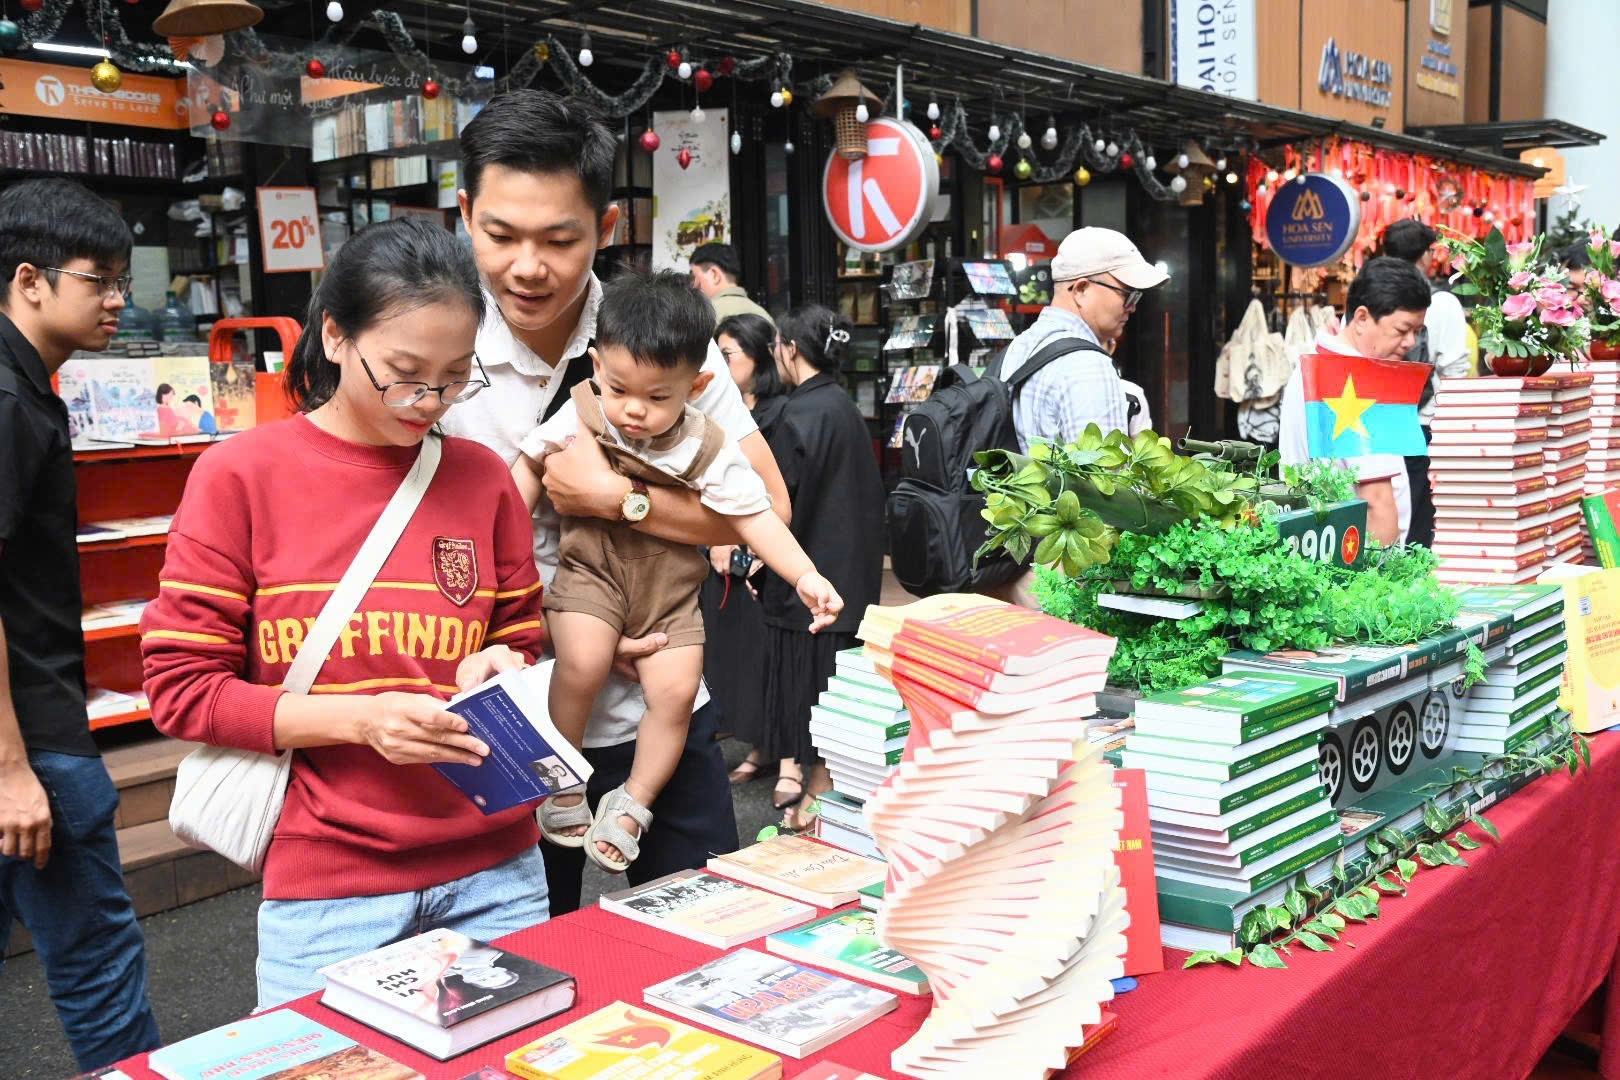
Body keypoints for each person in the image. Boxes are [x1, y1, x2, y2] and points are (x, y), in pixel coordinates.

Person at [140, 217, 551, 1010]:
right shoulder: (240, 477)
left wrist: (504, 667)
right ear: (334, 335)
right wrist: (361, 722)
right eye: (403, 374)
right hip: (331, 887)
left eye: (455, 377)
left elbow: (518, 637)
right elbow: (183, 692)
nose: (429, 402)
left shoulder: (483, 480)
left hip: (498, 870)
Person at [439, 89, 790, 915]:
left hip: (661, 703)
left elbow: (766, 503)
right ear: (464, 214)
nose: (529, 267)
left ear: (604, 227)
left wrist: (618, 501)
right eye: (500, 235)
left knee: (702, 929)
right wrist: (571, 626)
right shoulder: (437, 340)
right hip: (516, 707)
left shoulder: (661, 336)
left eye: (559, 239)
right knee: (532, 949)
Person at [508, 271, 842, 871]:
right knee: (582, 661)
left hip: (670, 600)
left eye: (658, 397)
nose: (634, 410)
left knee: (677, 694)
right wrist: (502, 555)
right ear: (597, 366)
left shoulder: (708, 446)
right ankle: (563, 782)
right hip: (591, 578)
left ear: (698, 386)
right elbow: (528, 468)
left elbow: (758, 516)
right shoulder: (584, 410)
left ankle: (634, 802)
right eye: (619, 389)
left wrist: (806, 575)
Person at [0, 178, 162, 1072]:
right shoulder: (8, 401)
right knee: (99, 972)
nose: (116, 300)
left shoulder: (24, 388)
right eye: (97, 280)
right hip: (33, 744)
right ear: (29, 280)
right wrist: (11, 770)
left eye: (119, 281)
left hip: (30, 736)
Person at [761, 306, 885, 829]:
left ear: (790, 349)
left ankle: (816, 799)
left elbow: (778, 504)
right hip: (850, 570)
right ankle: (824, 793)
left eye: (777, 345)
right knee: (836, 690)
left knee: (808, 690)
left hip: (810, 577)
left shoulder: (797, 413)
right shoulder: (842, 405)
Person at [702, 313, 794, 801]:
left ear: (757, 357)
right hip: (721, 552)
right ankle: (750, 737)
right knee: (732, 652)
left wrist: (745, 544)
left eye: (728, 354)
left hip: (764, 550)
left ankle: (773, 750)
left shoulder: (780, 413)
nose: (719, 363)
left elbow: (777, 496)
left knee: (767, 656)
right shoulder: (716, 409)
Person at [1278, 256, 1430, 547]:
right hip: (1357, 555)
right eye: (1402, 330)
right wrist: (1387, 571)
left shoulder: (1313, 361)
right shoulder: (1357, 381)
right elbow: (1377, 502)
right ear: (1361, 318)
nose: (1411, 342)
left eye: (1417, 331)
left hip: (1314, 545)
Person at [997, 227, 1168, 452]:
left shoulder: (1021, 346)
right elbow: (1105, 471)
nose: (1132, 307)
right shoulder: (1088, 365)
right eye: (1127, 294)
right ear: (1081, 289)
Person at [1380, 218, 1470, 548]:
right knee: (1417, 521)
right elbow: (1455, 370)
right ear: (1426, 256)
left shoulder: (1367, 301)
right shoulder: (1442, 302)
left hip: (1370, 419)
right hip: (1422, 424)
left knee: (1380, 509)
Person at [689, 242, 773, 325]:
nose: (693, 284)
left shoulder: (703, 316)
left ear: (714, 274)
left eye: (694, 276)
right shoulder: (764, 315)